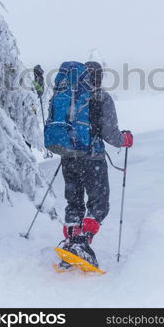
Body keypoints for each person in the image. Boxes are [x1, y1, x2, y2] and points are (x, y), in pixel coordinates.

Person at [59, 61, 133, 269]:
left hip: (68, 157)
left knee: (74, 202)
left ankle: (71, 241)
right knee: (99, 204)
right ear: (99, 77)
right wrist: (125, 140)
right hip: (92, 159)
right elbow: (110, 133)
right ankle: (82, 243)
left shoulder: (68, 96)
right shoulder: (102, 97)